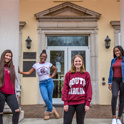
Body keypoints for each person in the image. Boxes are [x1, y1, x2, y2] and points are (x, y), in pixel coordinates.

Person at [18, 49, 59, 120]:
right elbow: (29, 73)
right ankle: (53, 110)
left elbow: (55, 69)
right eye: (43, 56)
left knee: (49, 99)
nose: (44, 58)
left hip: (49, 82)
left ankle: (47, 113)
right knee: (45, 98)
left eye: (45, 57)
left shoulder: (48, 64)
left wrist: (52, 76)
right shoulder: (36, 65)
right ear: (40, 56)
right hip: (42, 84)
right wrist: (20, 72)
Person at [62, 54, 92, 124]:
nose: (78, 63)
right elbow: (65, 89)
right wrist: (65, 103)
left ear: (82, 63)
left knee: (80, 122)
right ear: (73, 63)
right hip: (70, 103)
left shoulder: (86, 74)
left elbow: (89, 90)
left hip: (81, 102)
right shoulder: (68, 74)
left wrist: (87, 103)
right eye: (76, 61)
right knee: (66, 122)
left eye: (79, 61)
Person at [0, 49, 21, 124]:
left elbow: (16, 79)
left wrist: (18, 91)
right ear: (3, 56)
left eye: (10, 56)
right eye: (7, 55)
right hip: (1, 92)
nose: (8, 57)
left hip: (11, 93)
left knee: (16, 111)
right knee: (0, 113)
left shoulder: (12, 67)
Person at [108, 45, 124, 124]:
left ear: (121, 51)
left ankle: (119, 118)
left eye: (118, 51)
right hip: (115, 80)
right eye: (115, 51)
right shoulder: (113, 60)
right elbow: (110, 72)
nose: (117, 52)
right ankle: (114, 117)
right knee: (114, 96)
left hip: (123, 81)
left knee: (122, 99)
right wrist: (109, 82)